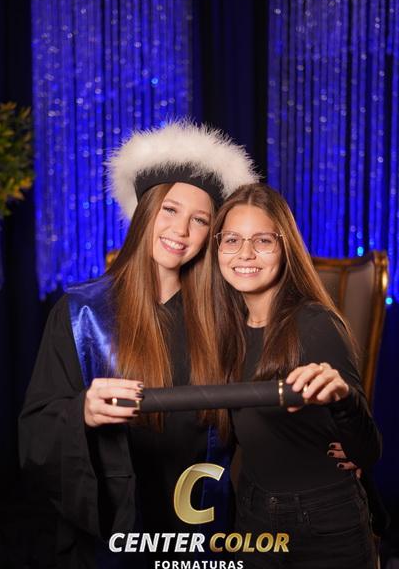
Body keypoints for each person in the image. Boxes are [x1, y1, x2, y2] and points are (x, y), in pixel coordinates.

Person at [19, 121, 258, 569]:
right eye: (170, 209)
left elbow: (261, 413)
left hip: (203, 528)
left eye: (200, 219)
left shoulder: (228, 317)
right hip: (118, 529)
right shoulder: (82, 314)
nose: (181, 230)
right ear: (145, 210)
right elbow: (35, 432)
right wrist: (82, 412)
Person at [211, 183, 382, 569]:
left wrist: (345, 402)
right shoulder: (225, 330)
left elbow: (368, 450)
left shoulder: (315, 324)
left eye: (262, 240)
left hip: (323, 521)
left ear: (285, 247)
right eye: (232, 240)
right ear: (217, 248)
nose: (245, 253)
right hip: (252, 512)